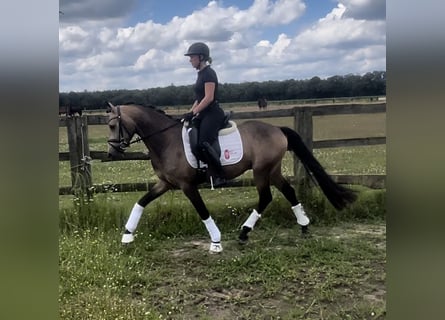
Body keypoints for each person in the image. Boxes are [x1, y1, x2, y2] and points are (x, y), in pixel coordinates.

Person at [183, 42, 226, 187]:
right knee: (192, 137)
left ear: (201, 57)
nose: (190, 60)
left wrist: (194, 112)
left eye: (192, 57)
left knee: (203, 143)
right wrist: (189, 113)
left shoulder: (209, 73)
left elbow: (208, 98)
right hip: (203, 113)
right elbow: (199, 99)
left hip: (213, 113)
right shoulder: (200, 74)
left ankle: (219, 175)